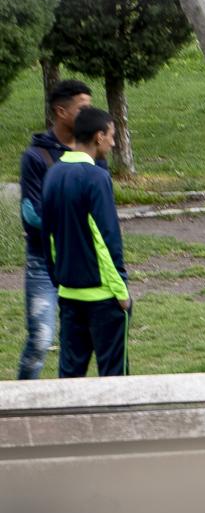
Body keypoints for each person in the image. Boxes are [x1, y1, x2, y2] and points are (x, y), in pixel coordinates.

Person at [41, 107, 130, 377]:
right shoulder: (96, 177)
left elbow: (48, 235)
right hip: (103, 296)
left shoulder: (53, 173)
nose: (113, 143)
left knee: (69, 378)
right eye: (112, 136)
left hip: (68, 294)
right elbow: (106, 238)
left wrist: (59, 280)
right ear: (98, 136)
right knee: (114, 379)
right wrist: (121, 291)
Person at [17, 80, 96, 379]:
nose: (89, 115)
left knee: (80, 345)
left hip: (83, 264)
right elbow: (30, 214)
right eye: (83, 108)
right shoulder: (36, 158)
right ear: (61, 112)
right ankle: (19, 407)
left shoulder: (93, 152)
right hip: (43, 263)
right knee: (40, 341)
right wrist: (72, 223)